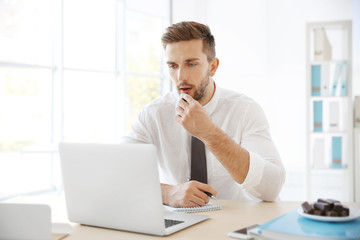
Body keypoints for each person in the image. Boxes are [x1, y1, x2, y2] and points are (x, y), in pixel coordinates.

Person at [122, 21, 285, 208]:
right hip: (180, 226)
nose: (181, 76)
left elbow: (272, 188)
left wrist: (209, 133)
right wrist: (167, 193)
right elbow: (119, 173)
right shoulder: (153, 115)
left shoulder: (245, 110)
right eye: (173, 66)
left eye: (191, 64)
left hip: (238, 224)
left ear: (213, 67)